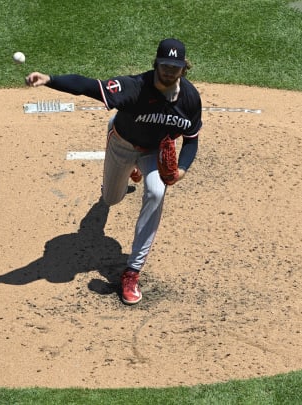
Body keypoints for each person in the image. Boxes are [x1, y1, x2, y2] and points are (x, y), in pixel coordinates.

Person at [25, 38, 203, 305]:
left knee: (156, 192)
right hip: (122, 143)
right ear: (156, 64)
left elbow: (191, 139)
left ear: (184, 69)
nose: (169, 71)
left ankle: (132, 271)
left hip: (153, 151)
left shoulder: (190, 99)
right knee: (111, 198)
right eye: (164, 65)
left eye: (174, 67)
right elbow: (88, 86)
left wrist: (183, 170)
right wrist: (50, 79)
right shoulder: (133, 87)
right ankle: (131, 170)